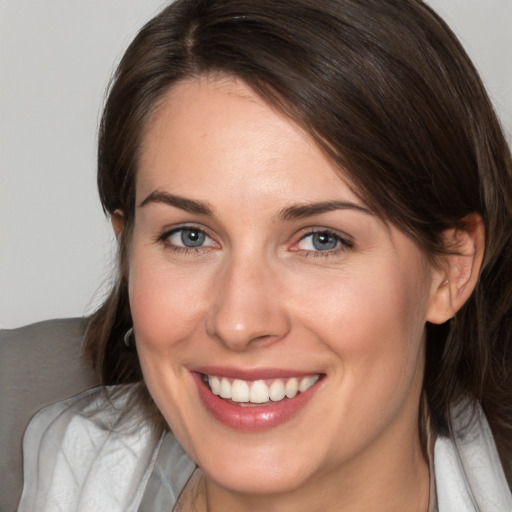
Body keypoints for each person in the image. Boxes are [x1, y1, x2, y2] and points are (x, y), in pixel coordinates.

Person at [17, 0, 512, 510]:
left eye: (322, 240)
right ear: (129, 249)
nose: (238, 322)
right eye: (189, 236)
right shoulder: (40, 447)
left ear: (451, 269)